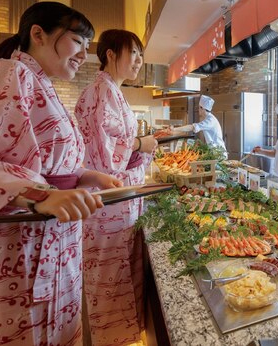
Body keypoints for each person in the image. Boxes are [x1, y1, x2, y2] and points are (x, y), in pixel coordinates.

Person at [0, 1, 122, 346]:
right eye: (78, 41)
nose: (84, 54)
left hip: (52, 237)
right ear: (38, 33)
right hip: (17, 248)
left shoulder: (38, 82)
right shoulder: (7, 73)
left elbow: (47, 163)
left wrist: (84, 176)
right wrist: (41, 195)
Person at [75, 29, 157, 346]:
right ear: (110, 54)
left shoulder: (113, 93)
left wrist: (142, 149)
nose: (138, 60)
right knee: (109, 285)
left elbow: (120, 156)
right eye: (132, 52)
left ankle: (122, 339)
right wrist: (140, 142)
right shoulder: (99, 93)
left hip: (120, 205)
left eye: (140, 54)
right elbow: (106, 157)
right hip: (106, 207)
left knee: (121, 283)